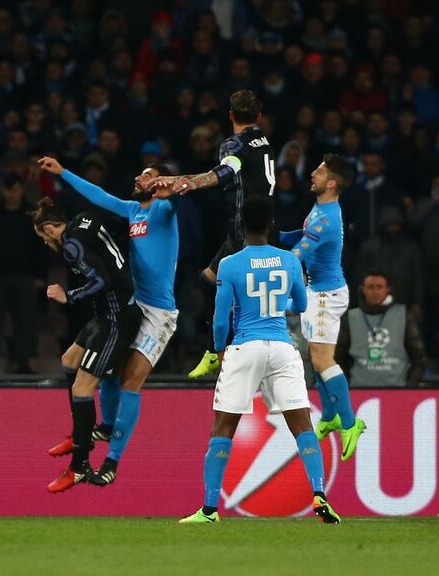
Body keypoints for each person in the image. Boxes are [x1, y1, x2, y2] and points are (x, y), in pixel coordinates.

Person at [179, 195, 339, 524]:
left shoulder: (230, 264)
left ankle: (209, 510)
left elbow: (221, 318)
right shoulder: (289, 261)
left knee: (223, 426)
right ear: (271, 225)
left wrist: (219, 348)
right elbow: (300, 304)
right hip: (282, 346)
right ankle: (320, 493)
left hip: (245, 347)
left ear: (241, 227)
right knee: (302, 426)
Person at [38, 156, 179, 486]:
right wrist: (64, 173)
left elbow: (176, 194)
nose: (139, 176)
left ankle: (112, 461)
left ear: (160, 184)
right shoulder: (133, 210)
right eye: (140, 171)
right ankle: (100, 428)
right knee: (109, 370)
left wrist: (166, 187)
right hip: (132, 302)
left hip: (158, 312)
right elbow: (98, 195)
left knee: (131, 379)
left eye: (148, 175)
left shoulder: (164, 210)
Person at [152, 90, 275, 378]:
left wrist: (189, 184)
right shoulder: (264, 141)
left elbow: (225, 171)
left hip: (244, 229)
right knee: (208, 282)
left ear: (231, 115)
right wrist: (172, 179)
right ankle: (217, 349)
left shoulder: (234, 144)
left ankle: (226, 352)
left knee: (228, 290)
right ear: (258, 117)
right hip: (262, 222)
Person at [31, 198, 142, 493]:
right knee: (68, 360)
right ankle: (81, 435)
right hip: (107, 312)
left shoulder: (70, 245)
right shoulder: (85, 218)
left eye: (43, 236)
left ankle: (79, 466)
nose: (45, 242)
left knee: (82, 388)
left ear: (50, 228)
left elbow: (100, 281)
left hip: (117, 318)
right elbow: (120, 228)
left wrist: (69, 295)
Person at [278, 154, 365, 461]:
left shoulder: (327, 220)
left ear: (331, 183)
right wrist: (271, 235)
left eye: (318, 170)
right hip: (318, 291)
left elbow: (296, 256)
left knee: (323, 359)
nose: (312, 172)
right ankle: (329, 415)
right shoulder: (321, 209)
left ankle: (351, 423)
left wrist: (266, 262)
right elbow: (299, 238)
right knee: (316, 358)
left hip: (327, 296)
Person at [0, 174, 45, 374]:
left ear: (22, 190)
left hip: (24, 277)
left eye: (16, 189)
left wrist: (40, 276)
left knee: (24, 321)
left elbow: (41, 248)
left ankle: (23, 363)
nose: (12, 194)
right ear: (3, 191)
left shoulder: (32, 218)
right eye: (9, 189)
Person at [336, 270, 427, 388]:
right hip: (358, 390)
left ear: (388, 289)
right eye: (370, 287)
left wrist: (409, 387)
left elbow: (419, 358)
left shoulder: (403, 315)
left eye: (379, 287)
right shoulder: (350, 317)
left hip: (397, 391)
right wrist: (346, 385)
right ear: (362, 289)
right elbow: (338, 358)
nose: (374, 291)